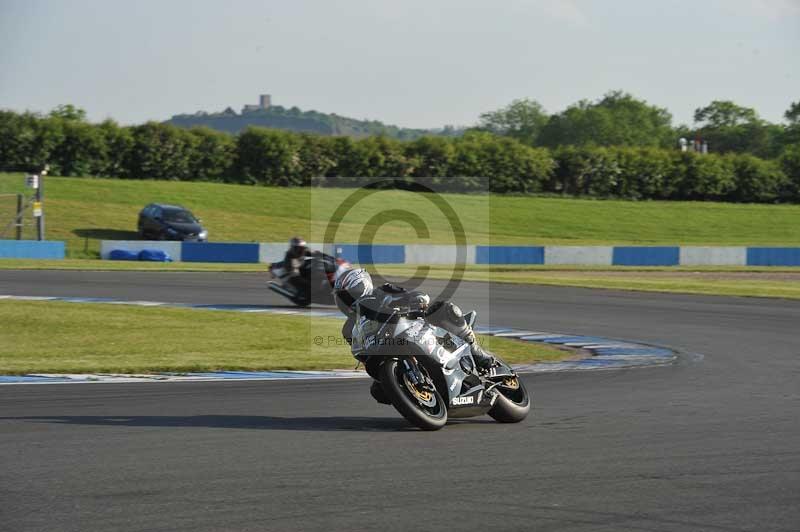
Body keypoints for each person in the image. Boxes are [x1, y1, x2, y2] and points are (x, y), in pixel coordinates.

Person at [333, 269, 496, 403]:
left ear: (362, 286)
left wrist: (416, 300)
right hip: (385, 348)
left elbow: (412, 295)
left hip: (413, 326)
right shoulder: (348, 328)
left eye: (349, 295)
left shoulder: (382, 291)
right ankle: (417, 396)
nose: (346, 301)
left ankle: (478, 353)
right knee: (378, 391)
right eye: (342, 299)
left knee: (446, 309)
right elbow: (360, 351)